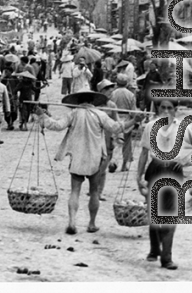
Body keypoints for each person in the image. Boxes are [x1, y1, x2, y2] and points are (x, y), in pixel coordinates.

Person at [36, 90, 140, 235]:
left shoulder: (73, 114)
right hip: (95, 158)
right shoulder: (100, 114)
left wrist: (43, 115)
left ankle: (72, 222)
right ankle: (91, 223)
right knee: (94, 192)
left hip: (77, 157)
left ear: (79, 101)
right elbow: (117, 127)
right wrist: (134, 120)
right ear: (92, 101)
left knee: (75, 191)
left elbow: (57, 126)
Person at [136, 97, 192, 271]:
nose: (166, 111)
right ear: (158, 109)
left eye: (169, 108)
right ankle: (154, 249)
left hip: (174, 171)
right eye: (162, 107)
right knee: (153, 211)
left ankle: (166, 258)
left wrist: (186, 159)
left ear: (175, 109)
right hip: (155, 168)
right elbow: (144, 153)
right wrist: (139, 176)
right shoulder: (150, 126)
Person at [109, 74, 138, 172]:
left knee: (115, 142)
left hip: (115, 118)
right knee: (127, 143)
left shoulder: (112, 93)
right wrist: (135, 121)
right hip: (127, 119)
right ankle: (124, 165)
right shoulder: (130, 95)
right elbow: (133, 111)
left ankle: (112, 161)